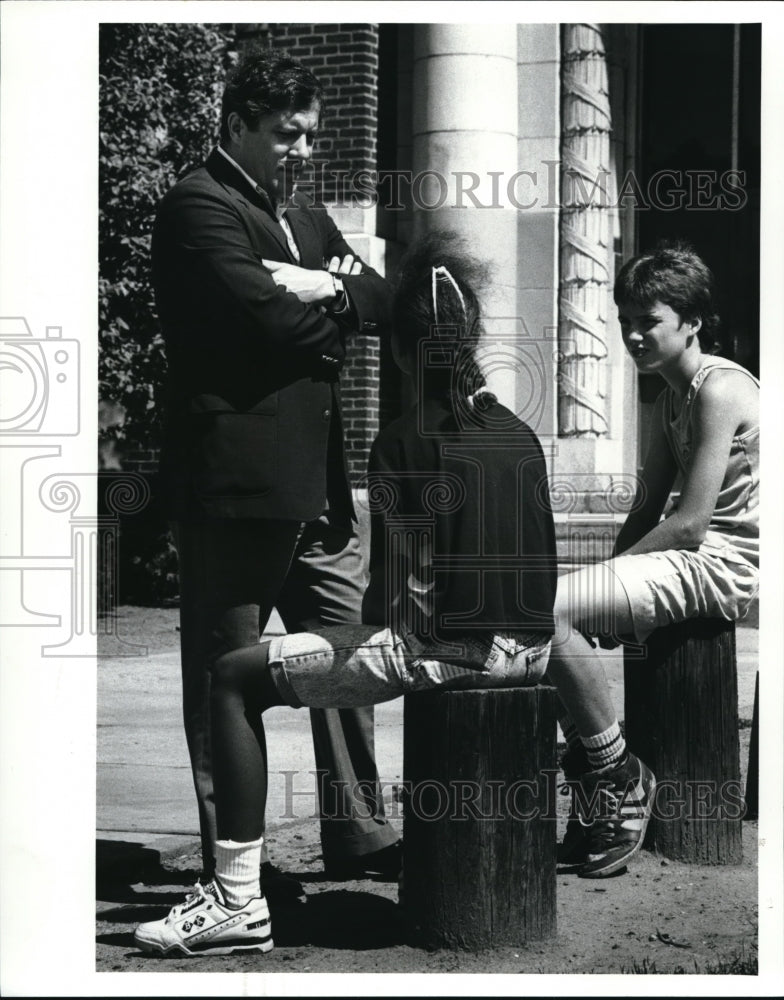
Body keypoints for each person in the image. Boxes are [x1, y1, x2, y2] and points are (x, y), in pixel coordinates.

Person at [135, 232, 656, 957]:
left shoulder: (401, 441)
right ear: (471, 339)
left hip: (445, 655)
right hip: (531, 655)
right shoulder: (517, 434)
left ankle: (235, 899)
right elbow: (537, 584)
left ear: (405, 353)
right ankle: (610, 773)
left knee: (232, 679)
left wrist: (363, 634)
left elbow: (393, 612)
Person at [149, 47, 401, 898]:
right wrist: (320, 302)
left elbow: (379, 295)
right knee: (226, 677)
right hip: (237, 489)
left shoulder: (300, 208)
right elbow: (264, 326)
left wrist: (322, 290)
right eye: (287, 136)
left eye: (307, 136)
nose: (301, 151)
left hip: (322, 489)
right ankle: (233, 877)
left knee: (345, 656)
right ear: (237, 126)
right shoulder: (196, 206)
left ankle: (361, 835)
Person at [551, 240, 759, 865]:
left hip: (724, 562)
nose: (633, 335)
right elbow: (646, 508)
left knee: (543, 611)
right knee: (544, 612)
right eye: (625, 322)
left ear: (692, 322)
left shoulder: (720, 389)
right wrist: (605, 584)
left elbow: (692, 523)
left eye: (650, 322)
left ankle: (617, 775)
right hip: (689, 556)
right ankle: (598, 772)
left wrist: (609, 583)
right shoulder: (671, 396)